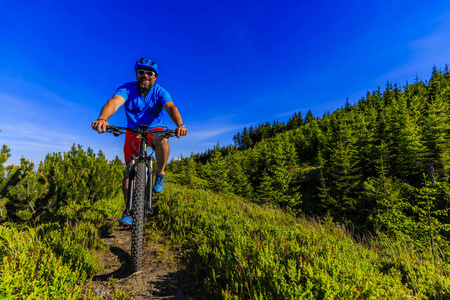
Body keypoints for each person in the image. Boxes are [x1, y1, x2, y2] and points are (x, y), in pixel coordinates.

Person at [92, 57, 188, 225]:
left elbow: (171, 107)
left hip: (154, 129)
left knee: (163, 140)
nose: (145, 76)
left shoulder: (160, 91)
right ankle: (129, 209)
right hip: (132, 130)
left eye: (150, 73)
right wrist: (103, 118)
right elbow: (114, 102)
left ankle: (160, 173)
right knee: (130, 171)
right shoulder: (127, 89)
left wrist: (180, 124)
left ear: (155, 77)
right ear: (136, 74)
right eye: (141, 72)